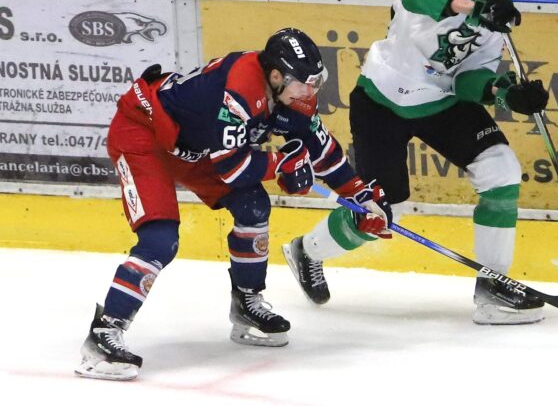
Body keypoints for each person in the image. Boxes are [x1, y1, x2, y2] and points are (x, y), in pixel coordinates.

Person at [75, 28, 391, 381]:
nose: (311, 91)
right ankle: (104, 335)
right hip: (144, 134)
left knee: (254, 205)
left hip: (196, 148)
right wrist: (280, 166)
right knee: (160, 240)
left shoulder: (293, 94)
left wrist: (359, 193)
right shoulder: (242, 88)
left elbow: (320, 149)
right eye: (304, 83)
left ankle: (246, 304)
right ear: (276, 76)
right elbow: (231, 167)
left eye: (315, 82)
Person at [282, 0, 549, 325]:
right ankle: (307, 250)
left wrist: (505, 93)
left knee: (501, 170)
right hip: (383, 97)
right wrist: (472, 7)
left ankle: (493, 289)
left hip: (441, 101)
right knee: (384, 211)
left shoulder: (499, 15)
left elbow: (467, 78)